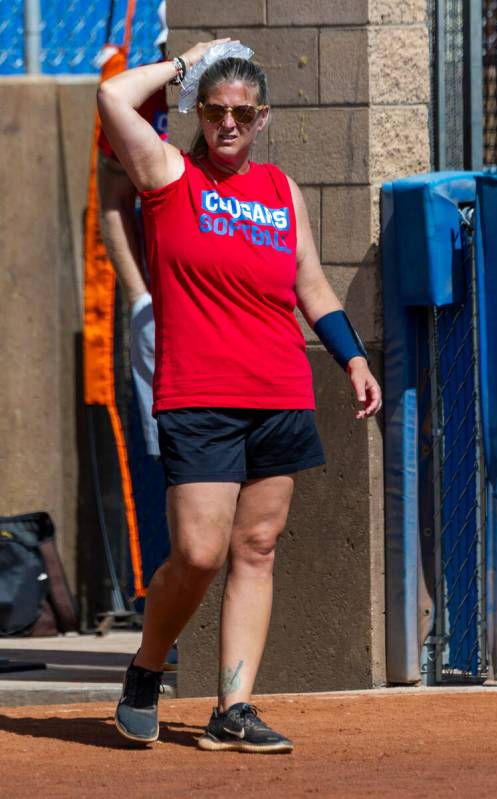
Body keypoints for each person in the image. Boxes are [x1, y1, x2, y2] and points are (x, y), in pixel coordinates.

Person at [97, 38, 382, 754]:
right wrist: (183, 65)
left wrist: (351, 358)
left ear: (262, 118)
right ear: (202, 110)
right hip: (198, 393)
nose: (228, 124)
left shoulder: (281, 191)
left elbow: (309, 285)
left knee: (256, 546)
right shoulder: (168, 173)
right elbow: (111, 99)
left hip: (279, 387)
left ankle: (234, 705)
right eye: (217, 111)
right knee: (197, 551)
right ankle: (146, 665)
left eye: (243, 114)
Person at [97, 1, 169, 457]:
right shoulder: (142, 99)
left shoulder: (232, 107)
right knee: (179, 468)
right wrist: (139, 298)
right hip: (163, 312)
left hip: (229, 314)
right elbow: (113, 201)